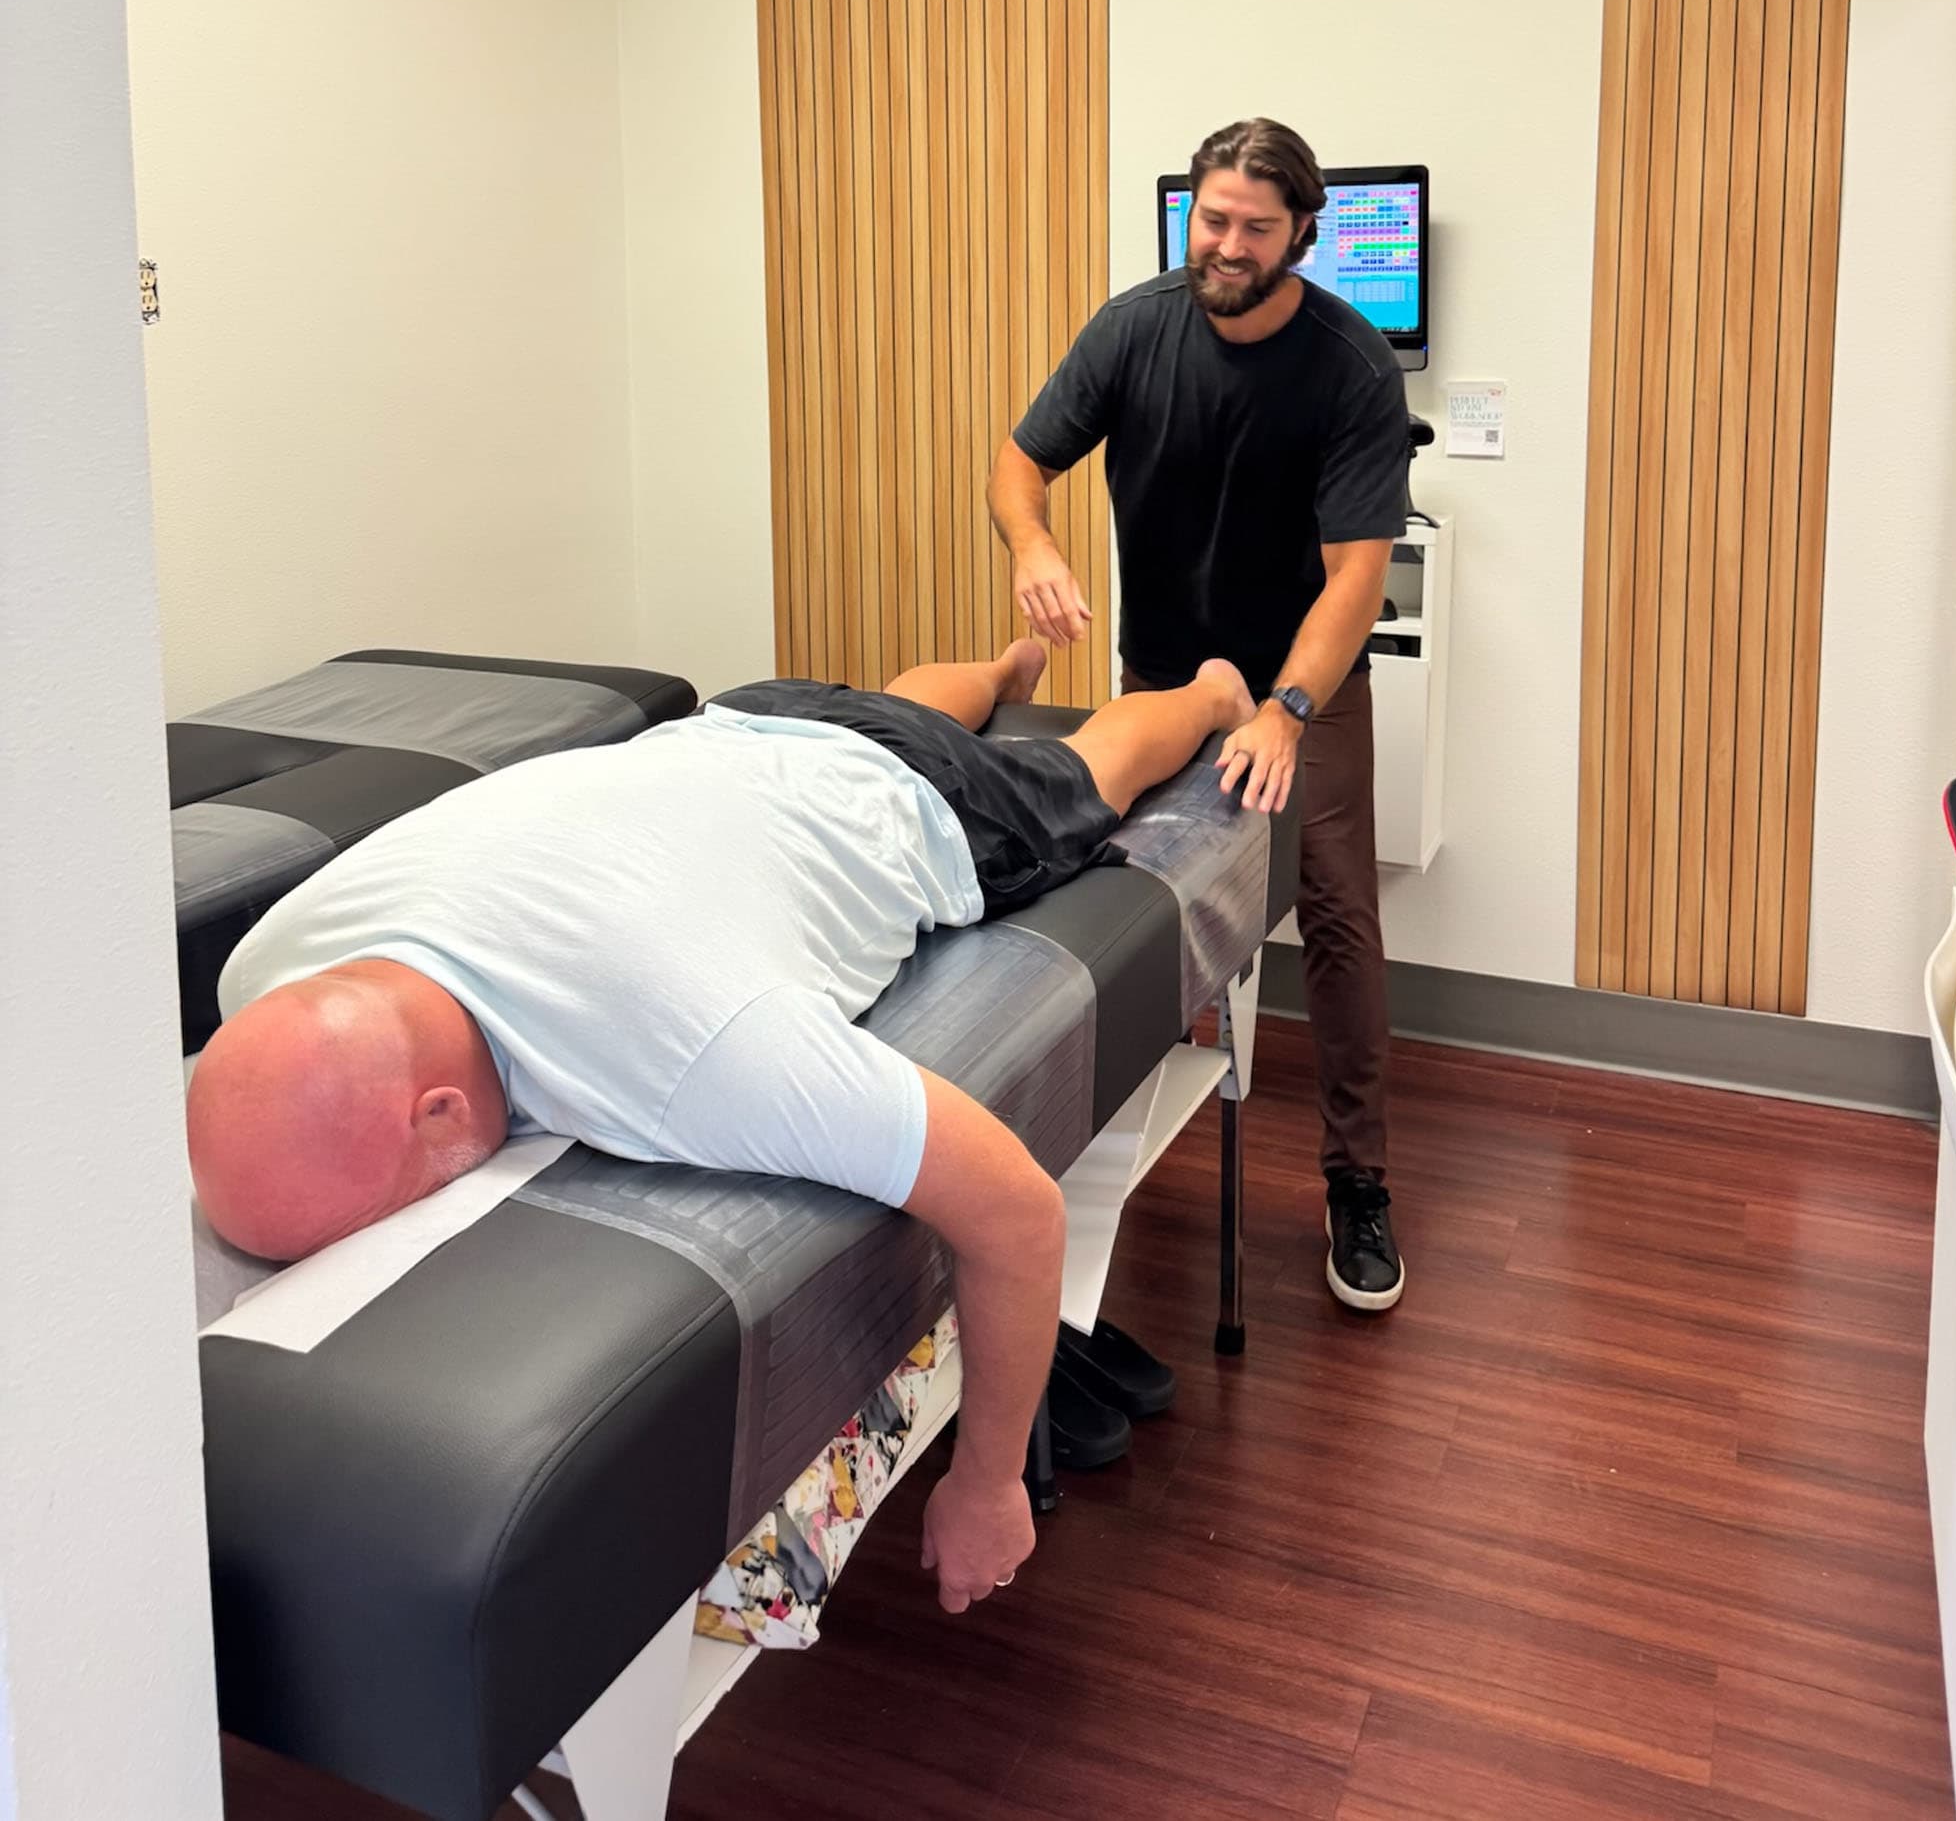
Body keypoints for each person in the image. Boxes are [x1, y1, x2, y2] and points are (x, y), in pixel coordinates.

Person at [187, 640, 1254, 1615]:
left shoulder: (686, 1051)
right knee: (896, 711)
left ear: (441, 1113)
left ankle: (1206, 690)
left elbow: (1015, 1210)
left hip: (929, 799)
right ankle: (1002, 671)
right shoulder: (269, 959)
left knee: (1097, 767)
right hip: (749, 723)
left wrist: (986, 1483)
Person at [988, 116, 1413, 1311]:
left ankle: (1357, 1183)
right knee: (1134, 894)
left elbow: (1355, 576)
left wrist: (1284, 709)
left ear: (1301, 234)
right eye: (1210, 218)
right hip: (1166, 679)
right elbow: (1019, 463)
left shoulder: (1348, 366)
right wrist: (1031, 543)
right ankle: (1120, 1132)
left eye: (1253, 228)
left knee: (1334, 913)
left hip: (1303, 690)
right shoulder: (1132, 330)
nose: (1225, 244)